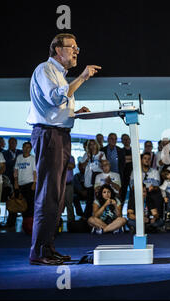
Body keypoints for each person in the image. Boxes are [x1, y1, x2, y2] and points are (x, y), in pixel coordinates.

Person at [26, 33, 100, 265]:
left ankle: (47, 248)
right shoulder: (45, 70)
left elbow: (57, 107)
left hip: (58, 135)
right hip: (50, 136)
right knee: (48, 196)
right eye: (72, 47)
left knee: (56, 198)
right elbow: (55, 98)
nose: (77, 51)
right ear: (58, 50)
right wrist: (83, 78)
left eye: (78, 47)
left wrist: (74, 113)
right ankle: (39, 251)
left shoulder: (60, 75)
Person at [11, 142, 37, 231]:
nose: (27, 149)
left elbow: (35, 172)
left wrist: (34, 183)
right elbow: (16, 170)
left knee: (30, 205)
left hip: (30, 184)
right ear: (22, 148)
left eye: (29, 147)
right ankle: (25, 223)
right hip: (20, 185)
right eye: (25, 147)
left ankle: (30, 225)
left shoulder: (33, 159)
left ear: (31, 149)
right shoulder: (19, 157)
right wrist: (15, 182)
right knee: (22, 205)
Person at [80, 139, 106, 219]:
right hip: (89, 179)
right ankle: (88, 218)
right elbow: (81, 167)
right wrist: (87, 159)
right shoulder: (86, 154)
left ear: (96, 145)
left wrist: (101, 160)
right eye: (90, 144)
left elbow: (105, 167)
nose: (92, 146)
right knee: (90, 199)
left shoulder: (101, 153)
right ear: (88, 146)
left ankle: (100, 216)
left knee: (99, 198)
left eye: (94, 144)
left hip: (99, 179)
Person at [120, 133, 133, 207]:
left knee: (133, 194)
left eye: (127, 139)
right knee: (123, 195)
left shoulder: (134, 150)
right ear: (122, 141)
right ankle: (120, 213)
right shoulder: (120, 151)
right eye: (124, 139)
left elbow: (137, 159)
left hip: (133, 175)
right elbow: (122, 160)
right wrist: (132, 158)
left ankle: (131, 212)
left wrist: (126, 158)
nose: (126, 141)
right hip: (124, 175)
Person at [64, 156, 75, 223]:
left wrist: (62, 164)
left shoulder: (71, 157)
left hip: (69, 184)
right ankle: (57, 222)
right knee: (58, 204)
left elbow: (72, 166)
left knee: (69, 204)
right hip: (59, 185)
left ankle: (71, 222)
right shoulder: (56, 156)